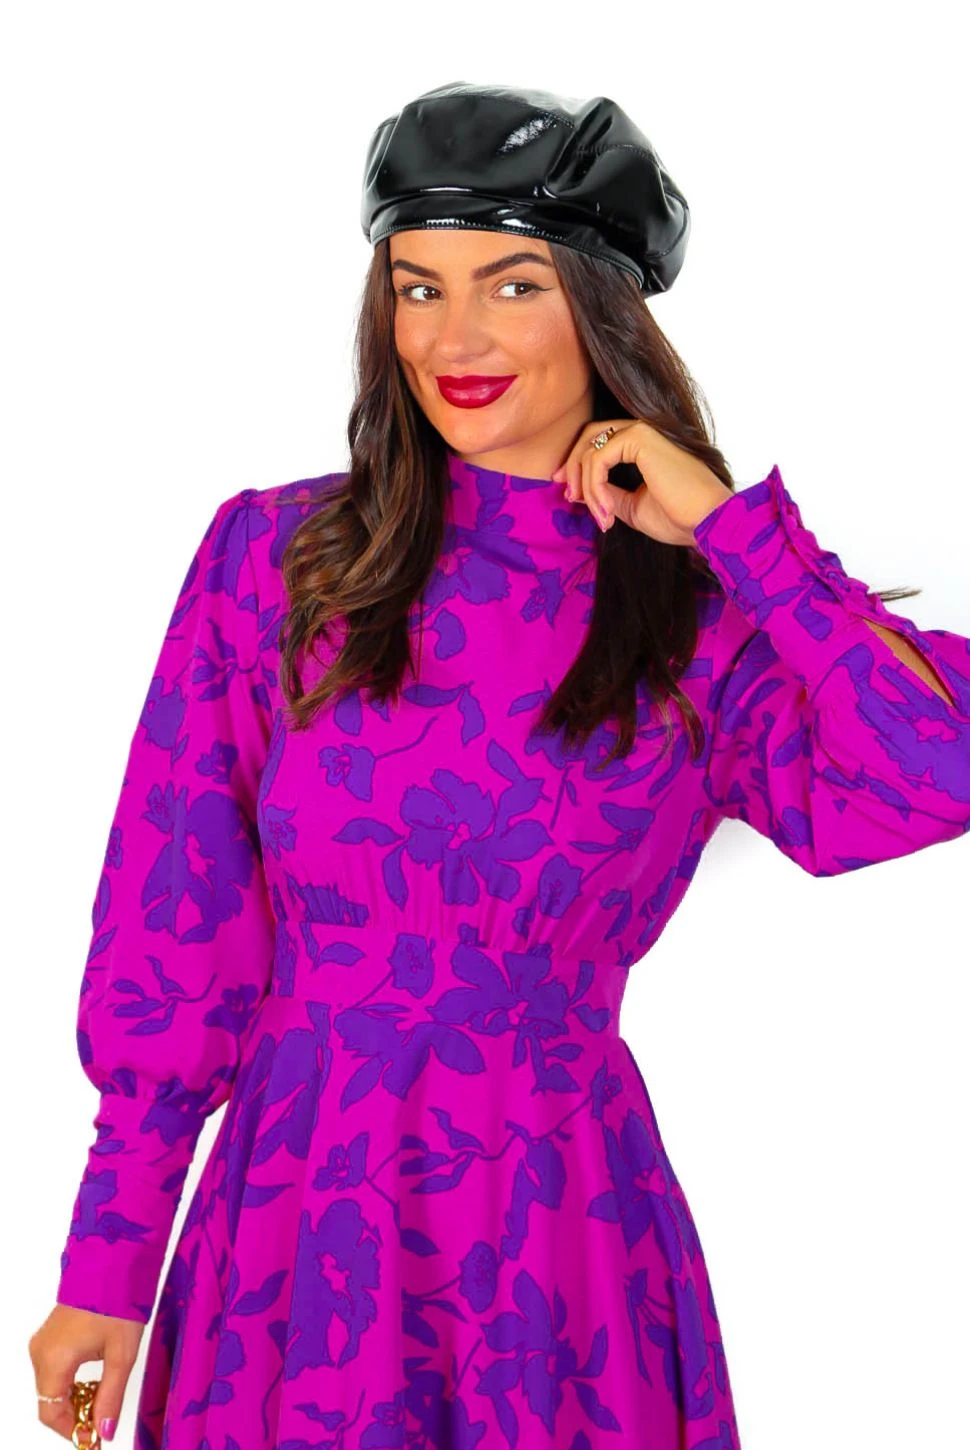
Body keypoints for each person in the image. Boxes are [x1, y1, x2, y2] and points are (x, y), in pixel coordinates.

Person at [29, 81, 970, 1449]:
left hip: (553, 1242)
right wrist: (108, 1261)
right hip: (298, 1218)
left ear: (600, 308)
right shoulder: (275, 562)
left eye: (511, 285)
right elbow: (173, 930)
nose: (452, 337)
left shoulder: (702, 620)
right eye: (417, 288)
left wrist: (735, 535)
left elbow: (935, 764)